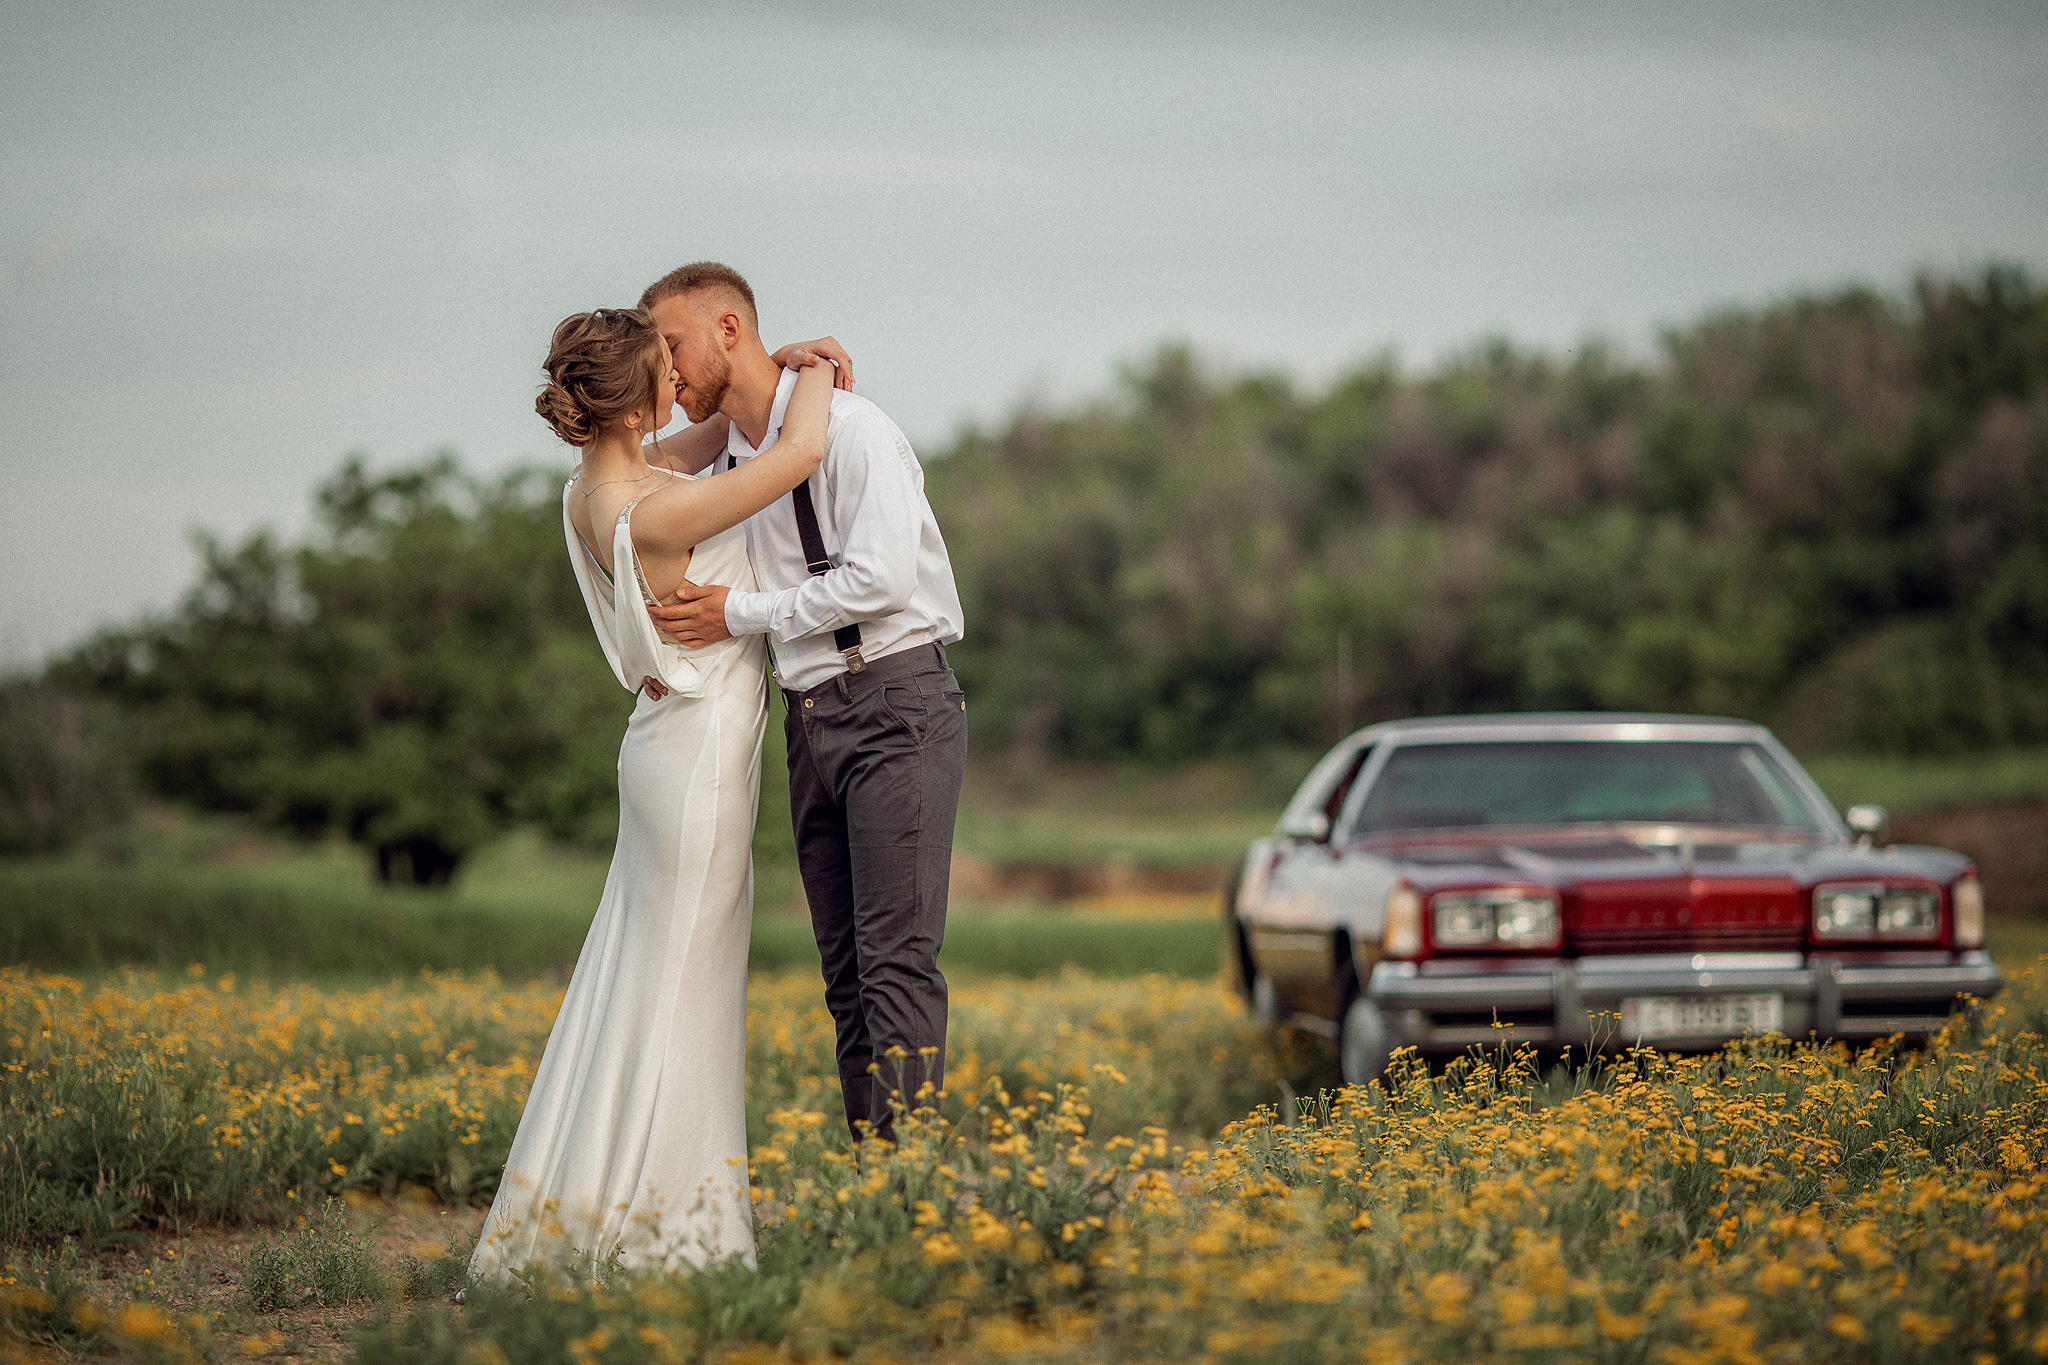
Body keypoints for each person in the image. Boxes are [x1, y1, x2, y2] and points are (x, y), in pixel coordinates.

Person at [467, 306, 841, 1282]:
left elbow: (713, 436)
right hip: (701, 752)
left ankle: (608, 1214)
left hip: (659, 744)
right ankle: (659, 1243)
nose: (682, 380)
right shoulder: (659, 509)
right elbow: (797, 451)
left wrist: (770, 357)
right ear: (635, 404)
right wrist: (819, 370)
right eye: (666, 371)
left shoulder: (592, 490)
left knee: (638, 981)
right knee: (684, 991)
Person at [641, 263, 967, 1143]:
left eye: (671, 345)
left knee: (898, 961)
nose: (662, 369)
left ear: (728, 330)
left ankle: (911, 1191)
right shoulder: (741, 459)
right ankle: (873, 1181)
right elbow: (614, 469)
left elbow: (882, 579)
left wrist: (737, 614)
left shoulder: (852, 430)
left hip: (894, 700)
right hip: (810, 717)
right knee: (846, 973)